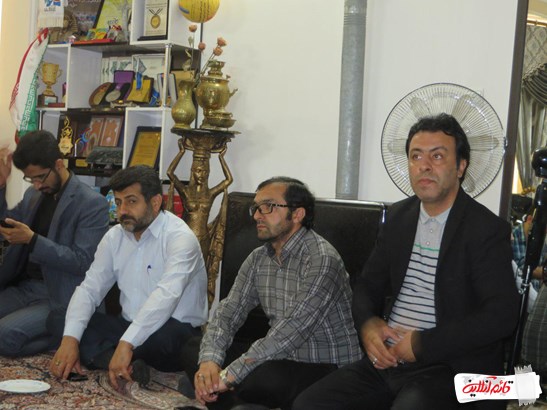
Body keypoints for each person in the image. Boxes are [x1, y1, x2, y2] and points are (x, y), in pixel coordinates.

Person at [293, 113, 520, 410]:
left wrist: (422, 344)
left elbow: (502, 315)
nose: (424, 166)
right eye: (416, 156)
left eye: (437, 156)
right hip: (389, 359)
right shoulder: (398, 217)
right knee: (308, 403)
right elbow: (367, 286)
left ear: (461, 166)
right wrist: (368, 325)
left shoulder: (485, 229)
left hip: (453, 367)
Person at [181, 176, 362, 410]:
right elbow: (228, 312)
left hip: (324, 364)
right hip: (279, 356)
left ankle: (230, 399)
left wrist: (229, 375)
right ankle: (232, 402)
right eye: (256, 208)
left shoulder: (322, 259)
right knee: (193, 348)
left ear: (297, 214)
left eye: (268, 207)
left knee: (260, 378)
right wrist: (209, 362)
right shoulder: (258, 258)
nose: (257, 215)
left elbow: (290, 331)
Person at [49, 165, 208, 390]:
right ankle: (124, 362)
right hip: (127, 325)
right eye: (118, 202)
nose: (122, 210)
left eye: (131, 201)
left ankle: (112, 355)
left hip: (170, 329)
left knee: (167, 339)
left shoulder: (180, 238)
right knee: (59, 318)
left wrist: (127, 343)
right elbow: (90, 289)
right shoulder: (114, 237)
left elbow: (165, 297)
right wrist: (70, 340)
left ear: (155, 202)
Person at [0, 130, 109, 357]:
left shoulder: (92, 204)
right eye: (31, 179)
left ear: (58, 164)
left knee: (4, 335)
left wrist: (33, 240)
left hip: (59, 295)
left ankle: (63, 337)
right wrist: (1, 187)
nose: (37, 185)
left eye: (40, 177)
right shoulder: (33, 196)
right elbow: (8, 222)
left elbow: (82, 262)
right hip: (25, 288)